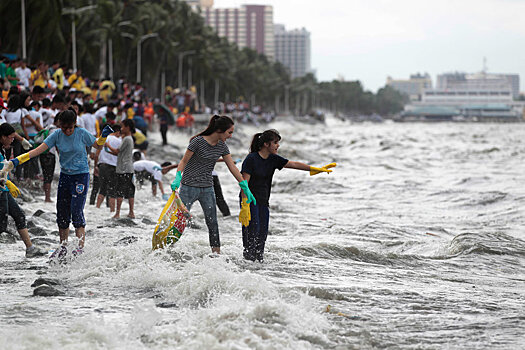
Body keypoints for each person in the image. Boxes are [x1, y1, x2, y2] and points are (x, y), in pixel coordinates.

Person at [1, 109, 113, 259]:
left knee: (76, 211)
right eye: (64, 127)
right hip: (65, 176)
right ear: (59, 125)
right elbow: (37, 151)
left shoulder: (81, 133)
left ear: (75, 124)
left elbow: (98, 145)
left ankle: (80, 248)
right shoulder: (57, 135)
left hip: (80, 177)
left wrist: (103, 136)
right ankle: (63, 247)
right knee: (62, 212)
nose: (67, 131)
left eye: (70, 128)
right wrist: (16, 161)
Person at [239, 129, 336, 262]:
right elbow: (244, 183)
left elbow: (293, 164)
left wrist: (315, 169)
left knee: (262, 233)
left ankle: (258, 262)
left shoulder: (273, 159)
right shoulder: (251, 159)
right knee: (252, 229)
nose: (278, 146)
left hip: (263, 199)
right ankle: (248, 260)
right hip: (249, 199)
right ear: (266, 144)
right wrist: (244, 205)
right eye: (275, 143)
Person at [170, 115, 256, 254]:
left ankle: (216, 254)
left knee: (213, 223)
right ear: (220, 130)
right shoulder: (197, 142)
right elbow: (184, 161)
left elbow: (232, 166)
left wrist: (244, 185)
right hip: (188, 187)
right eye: (229, 132)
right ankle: (167, 248)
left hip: (207, 189)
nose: (231, 136)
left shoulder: (222, 146)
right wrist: (177, 178)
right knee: (180, 220)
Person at [0, 123, 46, 257]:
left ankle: (30, 248)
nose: (12, 140)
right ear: (2, 137)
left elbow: (6, 167)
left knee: (19, 215)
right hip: (1, 190)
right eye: (10, 137)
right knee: (1, 225)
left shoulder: (3, 149)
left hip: (4, 190)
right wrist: (7, 182)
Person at [105, 119, 135, 219]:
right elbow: (119, 153)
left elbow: (117, 151)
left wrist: (108, 145)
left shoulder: (127, 139)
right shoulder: (128, 138)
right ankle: (131, 212)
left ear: (128, 127)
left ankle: (117, 213)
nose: (121, 129)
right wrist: (109, 151)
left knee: (120, 191)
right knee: (130, 190)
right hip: (128, 168)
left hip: (123, 168)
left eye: (122, 126)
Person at [94, 124, 121, 211]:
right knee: (112, 191)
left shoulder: (100, 139)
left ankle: (97, 209)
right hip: (113, 167)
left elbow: (96, 154)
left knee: (102, 189)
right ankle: (112, 211)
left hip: (102, 166)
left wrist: (95, 166)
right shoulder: (119, 141)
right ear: (117, 132)